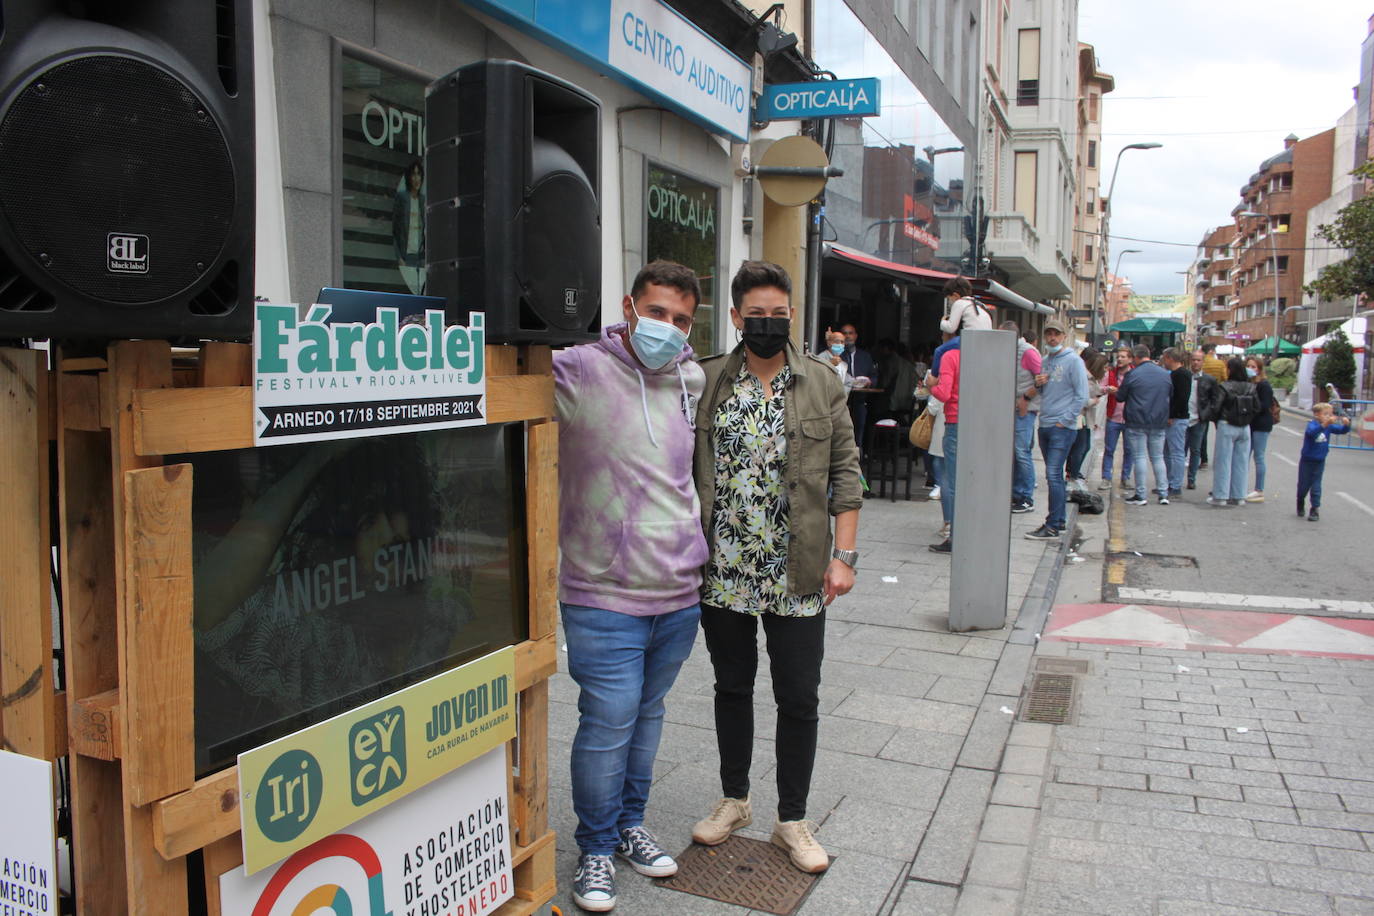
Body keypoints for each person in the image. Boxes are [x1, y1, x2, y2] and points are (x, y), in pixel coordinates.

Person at [692, 261, 863, 874]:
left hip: (800, 569)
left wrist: (843, 558)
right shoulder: (706, 380)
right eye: (756, 315)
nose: (768, 324)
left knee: (798, 696)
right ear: (736, 317)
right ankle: (733, 799)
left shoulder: (822, 383)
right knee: (731, 688)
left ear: (793, 315)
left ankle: (792, 818)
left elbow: (847, 473)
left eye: (779, 314)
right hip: (725, 569)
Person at [553, 260, 708, 912]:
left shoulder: (689, 378)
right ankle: (594, 847)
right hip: (602, 591)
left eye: (681, 319)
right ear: (628, 306)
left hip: (677, 592)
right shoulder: (579, 368)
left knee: (647, 715)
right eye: (657, 312)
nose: (667, 329)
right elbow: (494, 374)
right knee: (608, 721)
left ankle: (628, 827)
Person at [1026, 321, 1088, 540]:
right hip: (1045, 423)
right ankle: (1059, 521)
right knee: (1055, 476)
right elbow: (1043, 392)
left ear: (1063, 337)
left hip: (1061, 427)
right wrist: (1039, 383)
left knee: (1052, 474)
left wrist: (1065, 420)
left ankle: (1051, 525)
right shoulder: (1045, 361)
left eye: (1056, 334)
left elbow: (1082, 395)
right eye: (1048, 334)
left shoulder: (1074, 361)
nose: (1052, 338)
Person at [1117, 345, 1172, 506]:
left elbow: (1121, 397)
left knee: (1139, 457)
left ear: (1135, 357)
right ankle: (1163, 493)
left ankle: (1141, 495)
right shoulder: (1164, 374)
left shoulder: (1132, 374)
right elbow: (1170, 395)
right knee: (1158, 457)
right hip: (1159, 420)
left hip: (1136, 420)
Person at [1207, 357, 1260, 507]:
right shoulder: (1251, 387)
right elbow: (1257, 407)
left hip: (1227, 424)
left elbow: (1215, 407)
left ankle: (1221, 496)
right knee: (1241, 462)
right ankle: (1239, 496)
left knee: (1223, 461)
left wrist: (1217, 419)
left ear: (1230, 369)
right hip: (1244, 426)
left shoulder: (1224, 386)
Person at [926, 339, 962, 553]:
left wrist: (931, 385)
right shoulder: (978, 357)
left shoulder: (950, 356)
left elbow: (945, 393)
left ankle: (953, 535)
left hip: (955, 420)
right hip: (976, 422)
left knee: (950, 481)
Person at [1007, 322, 1042, 514]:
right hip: (1011, 409)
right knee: (1014, 453)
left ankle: (1026, 497)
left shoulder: (1028, 352)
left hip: (1024, 410)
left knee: (1021, 452)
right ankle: (1016, 493)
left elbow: (1042, 379)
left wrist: (1025, 399)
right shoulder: (1009, 352)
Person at [1297, 402, 1350, 521]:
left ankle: (1315, 509)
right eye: (1325, 414)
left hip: (1320, 460)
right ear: (1317, 415)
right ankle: (1300, 501)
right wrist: (1326, 424)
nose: (1328, 417)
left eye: (1330, 414)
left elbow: (1341, 430)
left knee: (1316, 485)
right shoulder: (1311, 424)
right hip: (1307, 460)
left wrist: (1346, 425)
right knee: (1303, 485)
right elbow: (1312, 433)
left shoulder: (1329, 426)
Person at [1065, 349, 1107, 491]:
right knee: (1080, 448)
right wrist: (1093, 401)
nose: (1105, 371)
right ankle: (1073, 477)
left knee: (1083, 447)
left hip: (1085, 418)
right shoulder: (1084, 376)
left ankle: (1075, 475)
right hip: (1080, 417)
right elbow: (1081, 399)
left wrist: (1103, 391)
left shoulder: (1089, 377)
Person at [1099, 347, 1135, 489]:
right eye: (1118, 356)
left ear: (1130, 359)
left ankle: (1125, 478)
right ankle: (1106, 478)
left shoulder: (1134, 374)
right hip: (1113, 417)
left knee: (1129, 450)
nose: (1119, 359)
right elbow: (1100, 388)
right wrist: (1107, 389)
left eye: (1123, 357)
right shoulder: (1111, 373)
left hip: (1130, 418)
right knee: (1109, 449)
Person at [1186, 351, 1220, 490]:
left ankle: (1191, 479)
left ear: (1203, 362)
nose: (1195, 363)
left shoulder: (1209, 380)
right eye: (1193, 360)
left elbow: (1215, 399)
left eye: (1198, 360)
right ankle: (1174, 481)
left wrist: (1207, 414)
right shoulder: (1185, 377)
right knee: (1179, 451)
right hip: (1183, 418)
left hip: (1199, 420)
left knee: (1195, 450)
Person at [1160, 348, 1191, 497]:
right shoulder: (1175, 374)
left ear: (1170, 358)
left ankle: (1175, 484)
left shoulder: (1181, 374)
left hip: (1177, 418)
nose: (1163, 361)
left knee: (1177, 451)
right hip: (1172, 417)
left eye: (1165, 358)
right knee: (1167, 451)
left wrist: (1172, 415)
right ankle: (1168, 482)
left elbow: (1181, 397)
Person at [392, 159, 426, 295]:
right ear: (409, 177)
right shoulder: (402, 198)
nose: (417, 178)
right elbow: (395, 230)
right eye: (414, 174)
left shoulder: (423, 200)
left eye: (419, 174)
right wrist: (398, 256)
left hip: (420, 257)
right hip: (405, 256)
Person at [1245, 356, 1275, 503]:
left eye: (1254, 367)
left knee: (1259, 457)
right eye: (1248, 366)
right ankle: (1241, 486)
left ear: (1259, 369)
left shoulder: (1263, 385)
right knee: (1245, 455)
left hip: (1261, 424)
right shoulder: (1249, 384)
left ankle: (1259, 490)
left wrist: (1249, 407)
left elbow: (1265, 405)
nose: (1251, 369)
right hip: (1250, 423)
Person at [840, 322, 875, 447]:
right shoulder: (837, 355)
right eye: (845, 333)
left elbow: (874, 375)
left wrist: (869, 382)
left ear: (856, 336)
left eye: (851, 333)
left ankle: (858, 454)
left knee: (859, 427)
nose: (848, 336)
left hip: (860, 400)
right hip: (841, 400)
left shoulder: (865, 356)